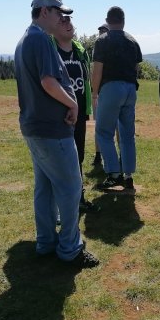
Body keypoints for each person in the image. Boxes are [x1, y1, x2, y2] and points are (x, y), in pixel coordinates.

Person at [14, 0, 99, 268]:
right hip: (52, 129)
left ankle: (46, 242)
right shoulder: (40, 39)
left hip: (35, 127)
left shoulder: (26, 39)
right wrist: (73, 103)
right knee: (71, 187)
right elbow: (48, 82)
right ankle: (70, 249)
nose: (62, 17)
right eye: (58, 12)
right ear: (44, 12)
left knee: (46, 188)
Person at [91, 6, 142, 189]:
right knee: (127, 135)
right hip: (130, 89)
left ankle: (113, 173)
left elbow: (97, 70)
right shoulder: (133, 41)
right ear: (123, 20)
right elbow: (136, 69)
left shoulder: (102, 40)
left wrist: (94, 92)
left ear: (107, 21)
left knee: (104, 132)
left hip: (111, 87)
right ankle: (128, 175)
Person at [52, 14, 96, 212]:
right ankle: (61, 206)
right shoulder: (51, 50)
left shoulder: (79, 50)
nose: (67, 23)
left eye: (69, 20)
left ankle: (79, 198)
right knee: (60, 161)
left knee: (78, 156)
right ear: (54, 26)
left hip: (79, 113)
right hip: (58, 114)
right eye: (62, 21)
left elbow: (85, 81)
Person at [91, 23, 110, 167]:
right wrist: (94, 92)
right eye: (100, 32)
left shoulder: (112, 48)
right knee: (98, 125)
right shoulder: (97, 48)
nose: (101, 34)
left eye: (104, 31)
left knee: (113, 126)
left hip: (108, 91)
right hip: (99, 92)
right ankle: (98, 155)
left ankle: (115, 156)